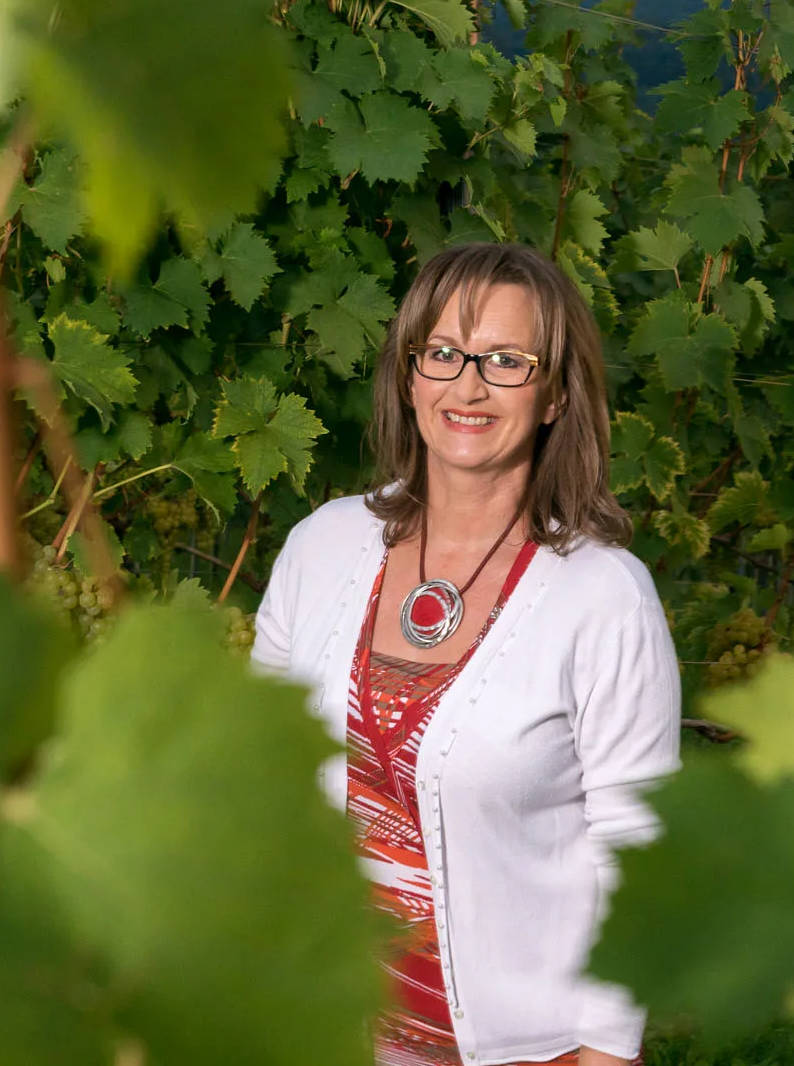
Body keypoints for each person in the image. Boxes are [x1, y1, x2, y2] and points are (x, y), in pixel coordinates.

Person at [251, 241, 681, 1066]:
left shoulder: (604, 596)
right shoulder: (321, 547)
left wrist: (605, 1052)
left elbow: (635, 851)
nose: (468, 386)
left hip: (522, 1049)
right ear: (410, 374)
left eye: (507, 361)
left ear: (556, 394)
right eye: (444, 352)